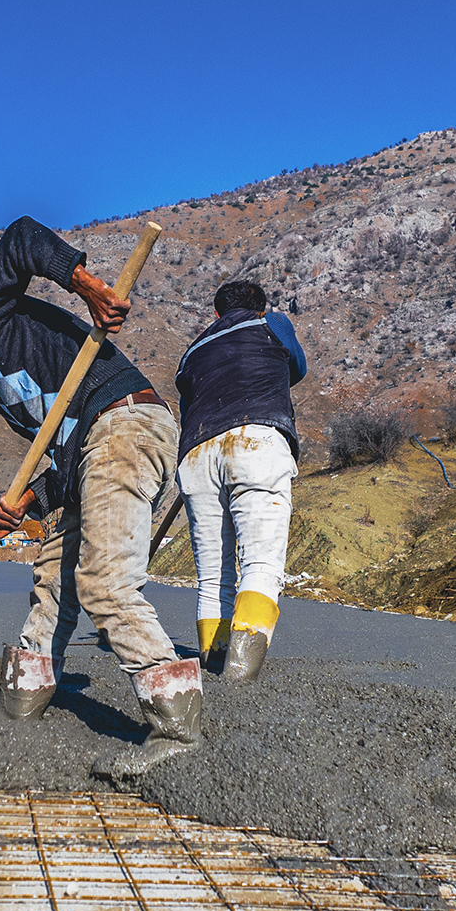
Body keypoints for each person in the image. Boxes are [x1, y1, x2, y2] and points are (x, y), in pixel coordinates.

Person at [0, 216, 199, 779]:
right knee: (53, 575)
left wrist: (89, 288)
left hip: (123, 428)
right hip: (99, 440)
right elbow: (68, 456)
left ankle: (178, 726)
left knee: (103, 581)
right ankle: (25, 694)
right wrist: (27, 501)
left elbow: (20, 238)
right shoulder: (2, 364)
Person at [172, 279, 307, 681]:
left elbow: (188, 404)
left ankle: (213, 660)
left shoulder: (191, 351)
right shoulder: (273, 324)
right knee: (261, 561)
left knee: (213, 572)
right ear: (261, 307)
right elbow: (296, 367)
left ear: (216, 314)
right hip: (256, 439)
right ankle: (240, 674)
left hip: (196, 453)